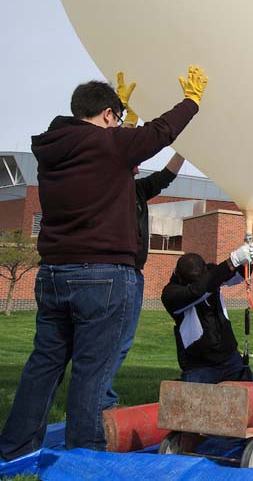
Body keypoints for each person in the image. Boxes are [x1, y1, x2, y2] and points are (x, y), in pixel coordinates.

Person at [0, 66, 207, 460]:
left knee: (44, 365)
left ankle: (16, 450)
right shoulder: (108, 145)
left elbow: (121, 165)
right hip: (103, 277)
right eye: (118, 119)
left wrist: (121, 111)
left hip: (55, 274)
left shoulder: (53, 150)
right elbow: (159, 132)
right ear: (108, 116)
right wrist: (191, 101)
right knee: (92, 373)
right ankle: (85, 459)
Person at [102, 72, 187, 410]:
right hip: (116, 273)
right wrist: (125, 122)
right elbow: (108, 151)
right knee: (111, 341)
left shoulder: (137, 189)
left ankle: (100, 400)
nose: (136, 167)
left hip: (133, 274)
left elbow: (165, 177)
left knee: (120, 342)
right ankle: (100, 406)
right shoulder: (111, 185)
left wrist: (187, 149)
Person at [161, 244, 253, 383]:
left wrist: (248, 260)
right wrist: (232, 261)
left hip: (231, 359)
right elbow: (198, 291)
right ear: (182, 280)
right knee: (193, 404)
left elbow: (239, 275)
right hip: (199, 367)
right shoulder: (170, 294)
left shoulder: (210, 275)